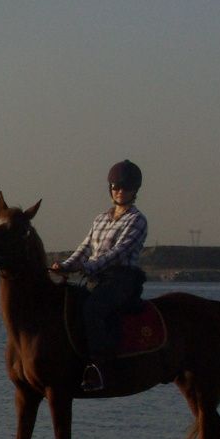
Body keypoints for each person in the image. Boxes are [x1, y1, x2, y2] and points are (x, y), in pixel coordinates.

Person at [50, 159, 148, 392]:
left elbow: (118, 252)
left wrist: (88, 267)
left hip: (121, 279)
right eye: (116, 187)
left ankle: (100, 368)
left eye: (125, 187)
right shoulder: (100, 219)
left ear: (135, 190)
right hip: (96, 278)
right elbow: (84, 248)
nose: (120, 191)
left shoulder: (137, 220)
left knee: (94, 309)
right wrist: (64, 266)